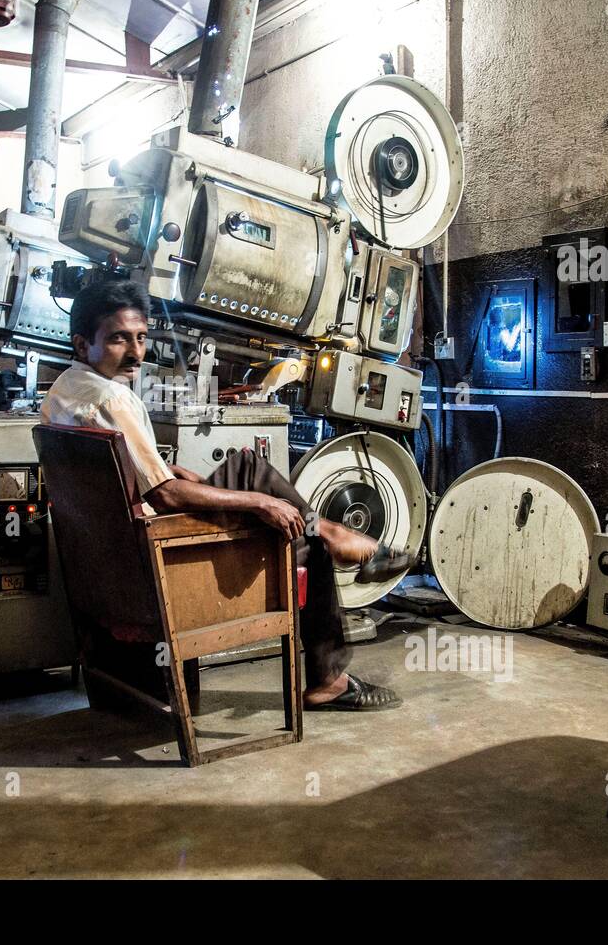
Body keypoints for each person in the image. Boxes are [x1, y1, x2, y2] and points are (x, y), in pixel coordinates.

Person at [41, 280, 410, 711]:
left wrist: (166, 472)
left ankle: (327, 531)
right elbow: (167, 498)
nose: (136, 353)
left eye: (141, 337)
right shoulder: (111, 397)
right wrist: (260, 502)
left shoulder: (65, 389)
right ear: (83, 342)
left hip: (108, 563)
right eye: (119, 338)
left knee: (246, 468)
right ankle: (329, 670)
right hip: (157, 563)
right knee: (302, 539)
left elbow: (132, 477)